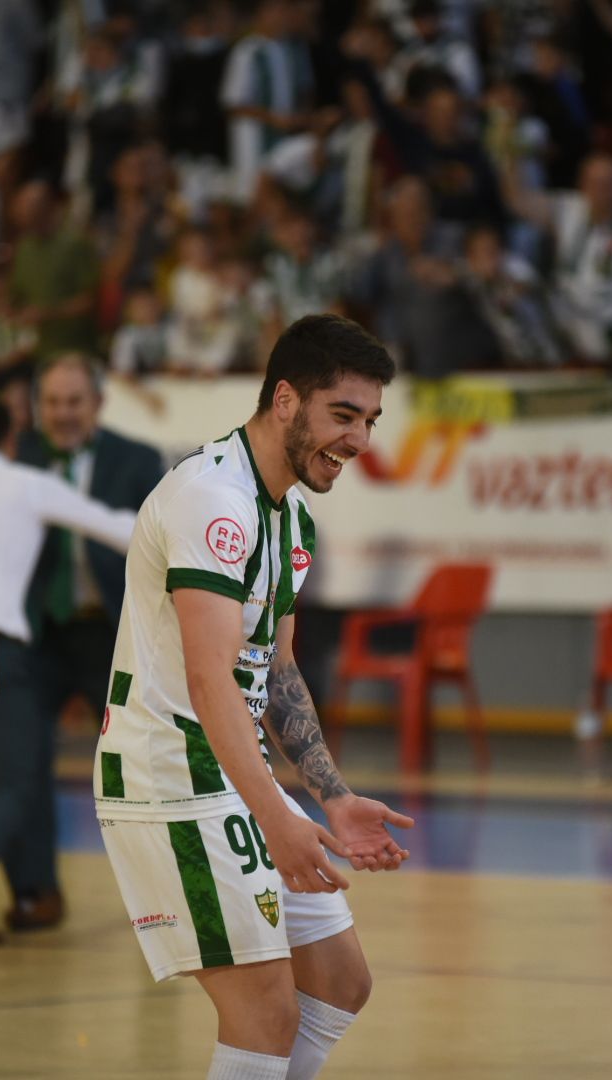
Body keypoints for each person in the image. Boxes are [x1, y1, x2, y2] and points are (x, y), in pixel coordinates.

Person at [95, 313, 414, 1080]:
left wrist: (330, 796)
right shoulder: (214, 500)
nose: (360, 440)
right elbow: (210, 679)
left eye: (370, 420)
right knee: (265, 1014)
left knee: (341, 982)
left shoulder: (289, 511)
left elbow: (275, 671)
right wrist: (277, 820)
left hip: (228, 773)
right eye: (343, 415)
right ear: (284, 400)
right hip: (169, 777)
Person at [0, 393, 137, 945]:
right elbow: (116, 528)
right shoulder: (25, 483)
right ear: (10, 439)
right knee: (18, 784)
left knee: (0, 777)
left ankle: (25, 893)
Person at [15, 351, 163, 931]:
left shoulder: (137, 460)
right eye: (51, 401)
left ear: (98, 404)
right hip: (36, 634)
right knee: (18, 759)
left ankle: (162, 897)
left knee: (141, 764)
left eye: (74, 401)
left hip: (113, 632)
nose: (62, 413)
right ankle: (36, 892)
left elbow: (159, 551)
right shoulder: (18, 458)